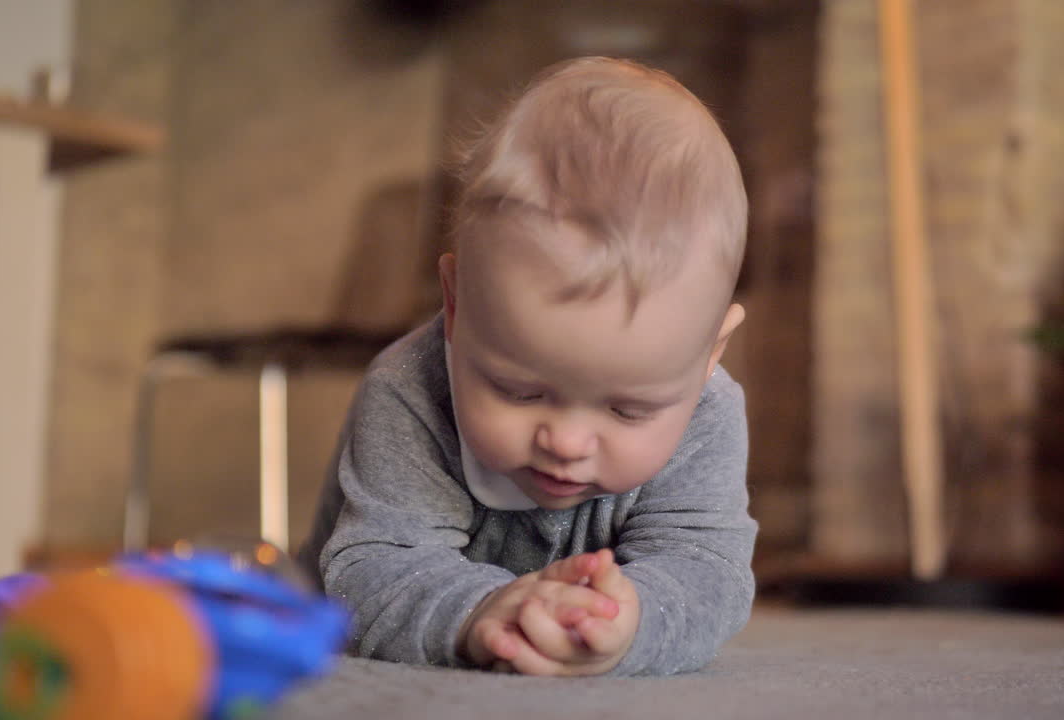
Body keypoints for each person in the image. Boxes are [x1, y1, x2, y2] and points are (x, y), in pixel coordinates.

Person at [298, 56, 756, 677]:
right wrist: (481, 611)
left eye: (629, 409)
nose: (565, 442)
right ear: (456, 307)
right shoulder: (408, 390)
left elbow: (708, 569)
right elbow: (369, 572)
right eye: (518, 391)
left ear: (710, 355)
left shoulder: (710, 414)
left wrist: (630, 624)